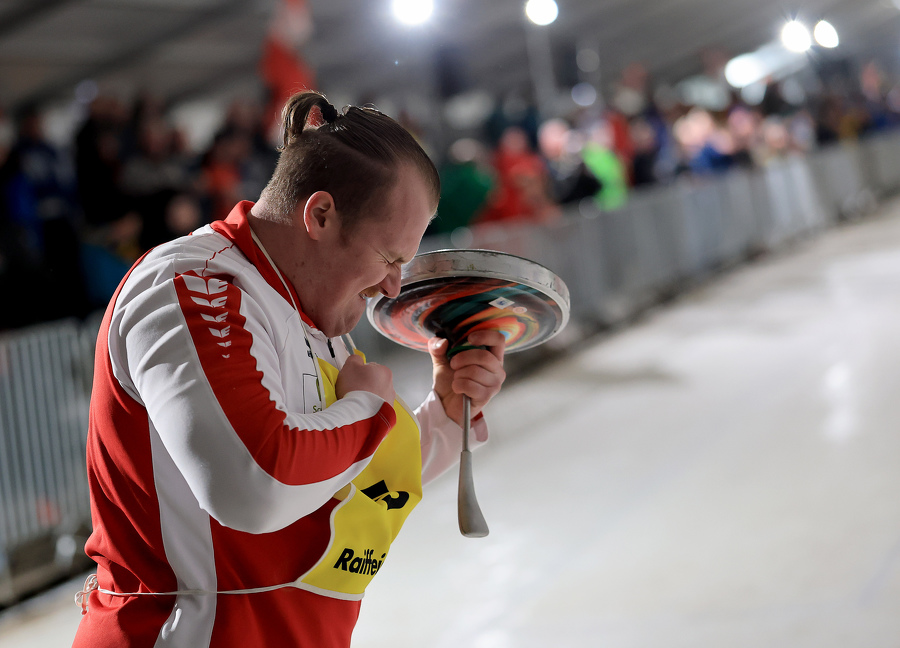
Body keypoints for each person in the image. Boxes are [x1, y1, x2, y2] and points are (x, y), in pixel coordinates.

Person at [72, 90, 507, 647]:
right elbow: (258, 485)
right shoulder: (195, 286)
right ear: (320, 215)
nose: (394, 286)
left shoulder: (311, 311)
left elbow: (343, 473)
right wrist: (368, 407)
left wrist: (446, 411)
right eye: (390, 258)